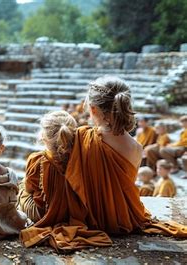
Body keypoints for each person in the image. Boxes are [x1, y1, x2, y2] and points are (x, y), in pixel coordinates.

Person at [20, 76, 186, 251]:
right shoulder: (137, 148)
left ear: (92, 109)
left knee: (23, 187)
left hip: (91, 219)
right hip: (123, 219)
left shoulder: (83, 137)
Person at [18, 111, 77, 224]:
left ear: (44, 138)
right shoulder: (81, 157)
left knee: (22, 186)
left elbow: (29, 188)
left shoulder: (37, 159)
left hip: (42, 214)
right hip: (70, 213)